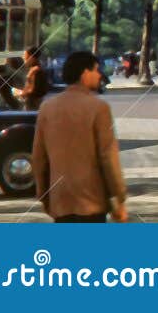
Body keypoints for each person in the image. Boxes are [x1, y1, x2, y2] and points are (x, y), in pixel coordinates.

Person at [31, 50, 127, 223]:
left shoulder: (47, 108)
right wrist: (118, 198)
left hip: (60, 200)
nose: (99, 76)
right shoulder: (99, 108)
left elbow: (39, 158)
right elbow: (108, 158)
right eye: (96, 70)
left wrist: (44, 196)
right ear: (85, 73)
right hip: (92, 201)